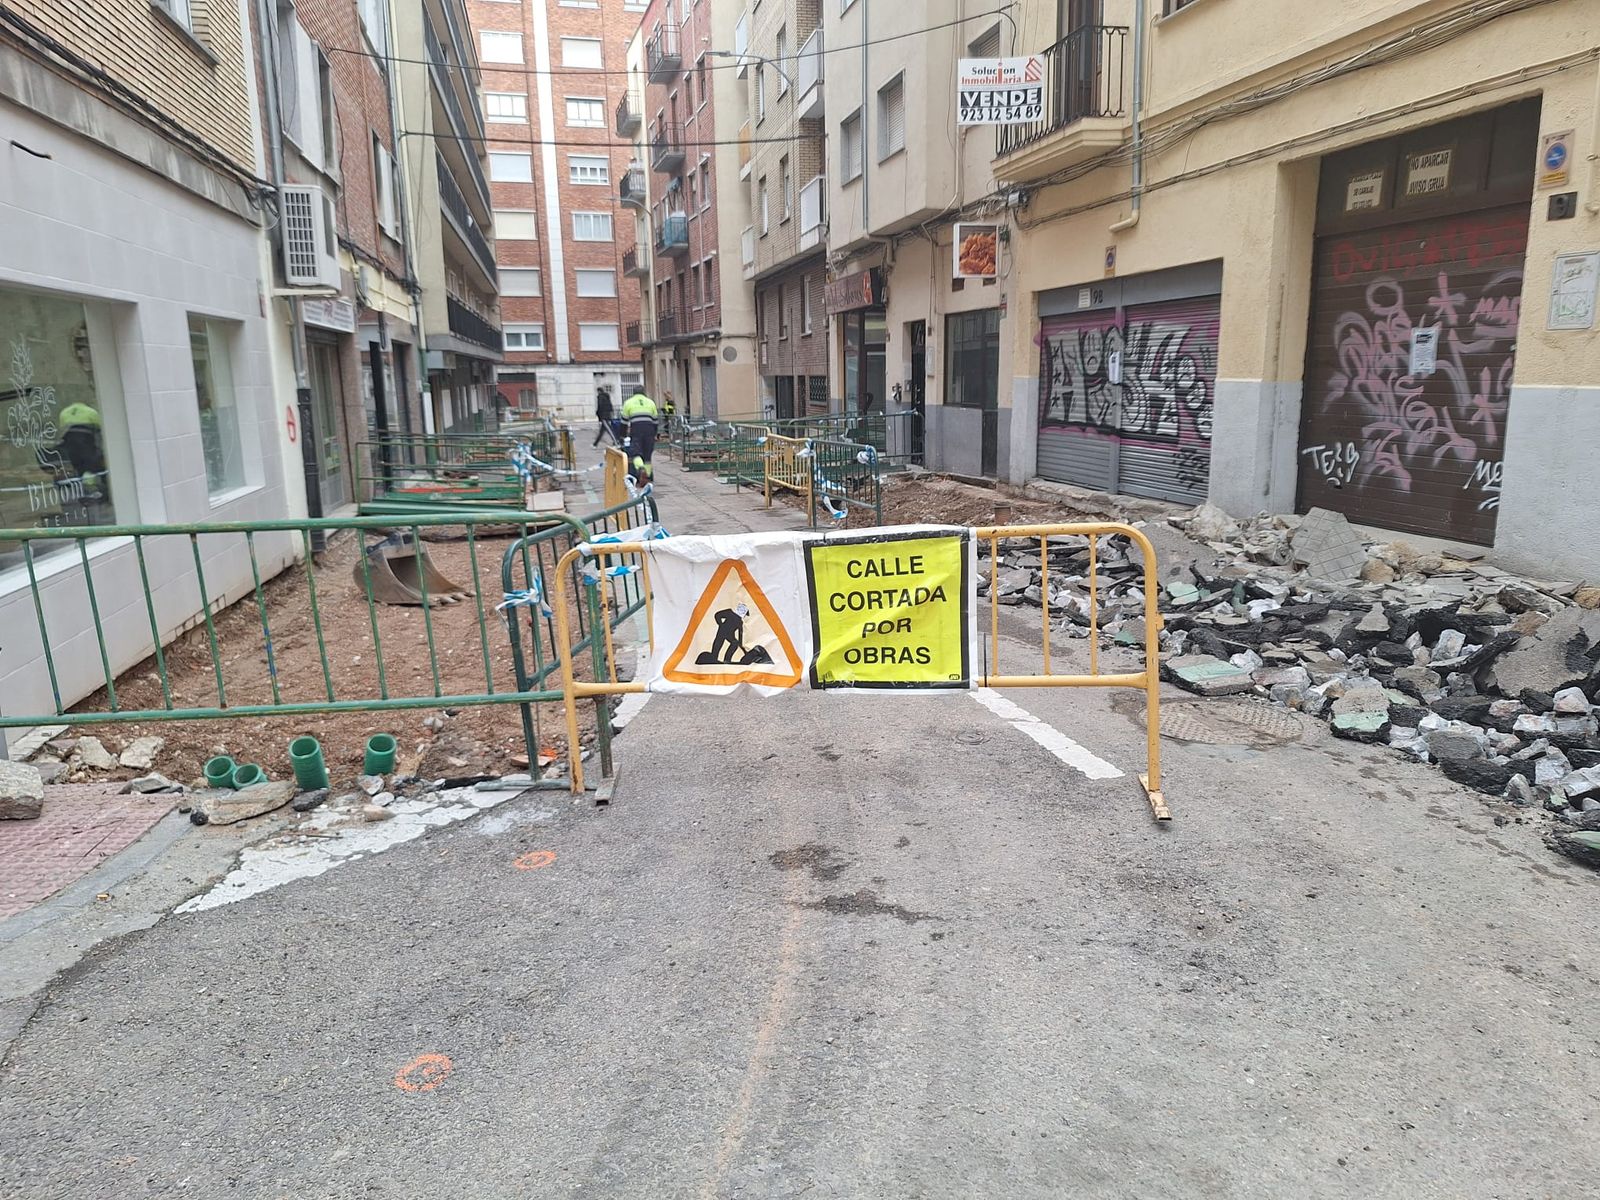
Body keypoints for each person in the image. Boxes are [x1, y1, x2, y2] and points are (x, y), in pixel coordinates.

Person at [620, 388, 658, 485]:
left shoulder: (628, 403)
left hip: (636, 430)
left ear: (634, 393)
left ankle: (641, 468)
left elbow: (624, 422)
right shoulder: (651, 402)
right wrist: (655, 434)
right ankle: (648, 477)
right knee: (647, 456)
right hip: (649, 430)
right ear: (644, 393)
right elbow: (656, 421)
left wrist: (622, 436)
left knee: (635, 453)